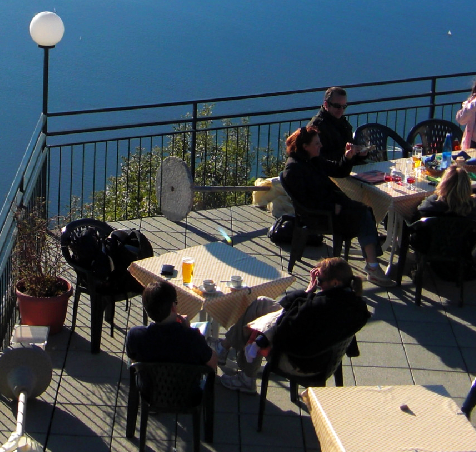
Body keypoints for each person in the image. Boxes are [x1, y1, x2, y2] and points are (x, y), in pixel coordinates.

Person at [220, 257, 369, 392]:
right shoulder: (356, 305)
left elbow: (284, 328)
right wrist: (309, 293)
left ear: (335, 283)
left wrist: (308, 293)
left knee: (261, 327)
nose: (318, 283)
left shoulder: (320, 306)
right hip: (324, 358)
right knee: (261, 304)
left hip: (301, 362)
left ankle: (244, 376)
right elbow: (291, 310)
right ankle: (225, 347)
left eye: (320, 281)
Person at [279, 126, 393, 287]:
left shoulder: (312, 159)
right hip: (319, 215)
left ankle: (372, 263)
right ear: (305, 146)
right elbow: (304, 201)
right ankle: (373, 266)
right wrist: (332, 207)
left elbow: (338, 170)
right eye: (317, 144)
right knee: (363, 214)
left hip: (332, 207)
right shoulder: (294, 169)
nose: (320, 146)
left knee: (365, 210)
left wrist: (348, 157)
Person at [126, 281, 218, 368]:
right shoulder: (193, 338)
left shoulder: (135, 336)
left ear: (146, 310)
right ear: (173, 307)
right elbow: (212, 364)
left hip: (148, 384)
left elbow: (133, 361)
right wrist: (188, 329)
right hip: (186, 384)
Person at [309, 87, 364, 169]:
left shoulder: (342, 122)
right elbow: (317, 158)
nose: (341, 110)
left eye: (344, 106)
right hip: (330, 172)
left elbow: (350, 146)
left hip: (346, 167)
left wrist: (360, 153)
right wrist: (346, 152)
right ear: (326, 105)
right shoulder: (316, 127)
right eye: (337, 106)